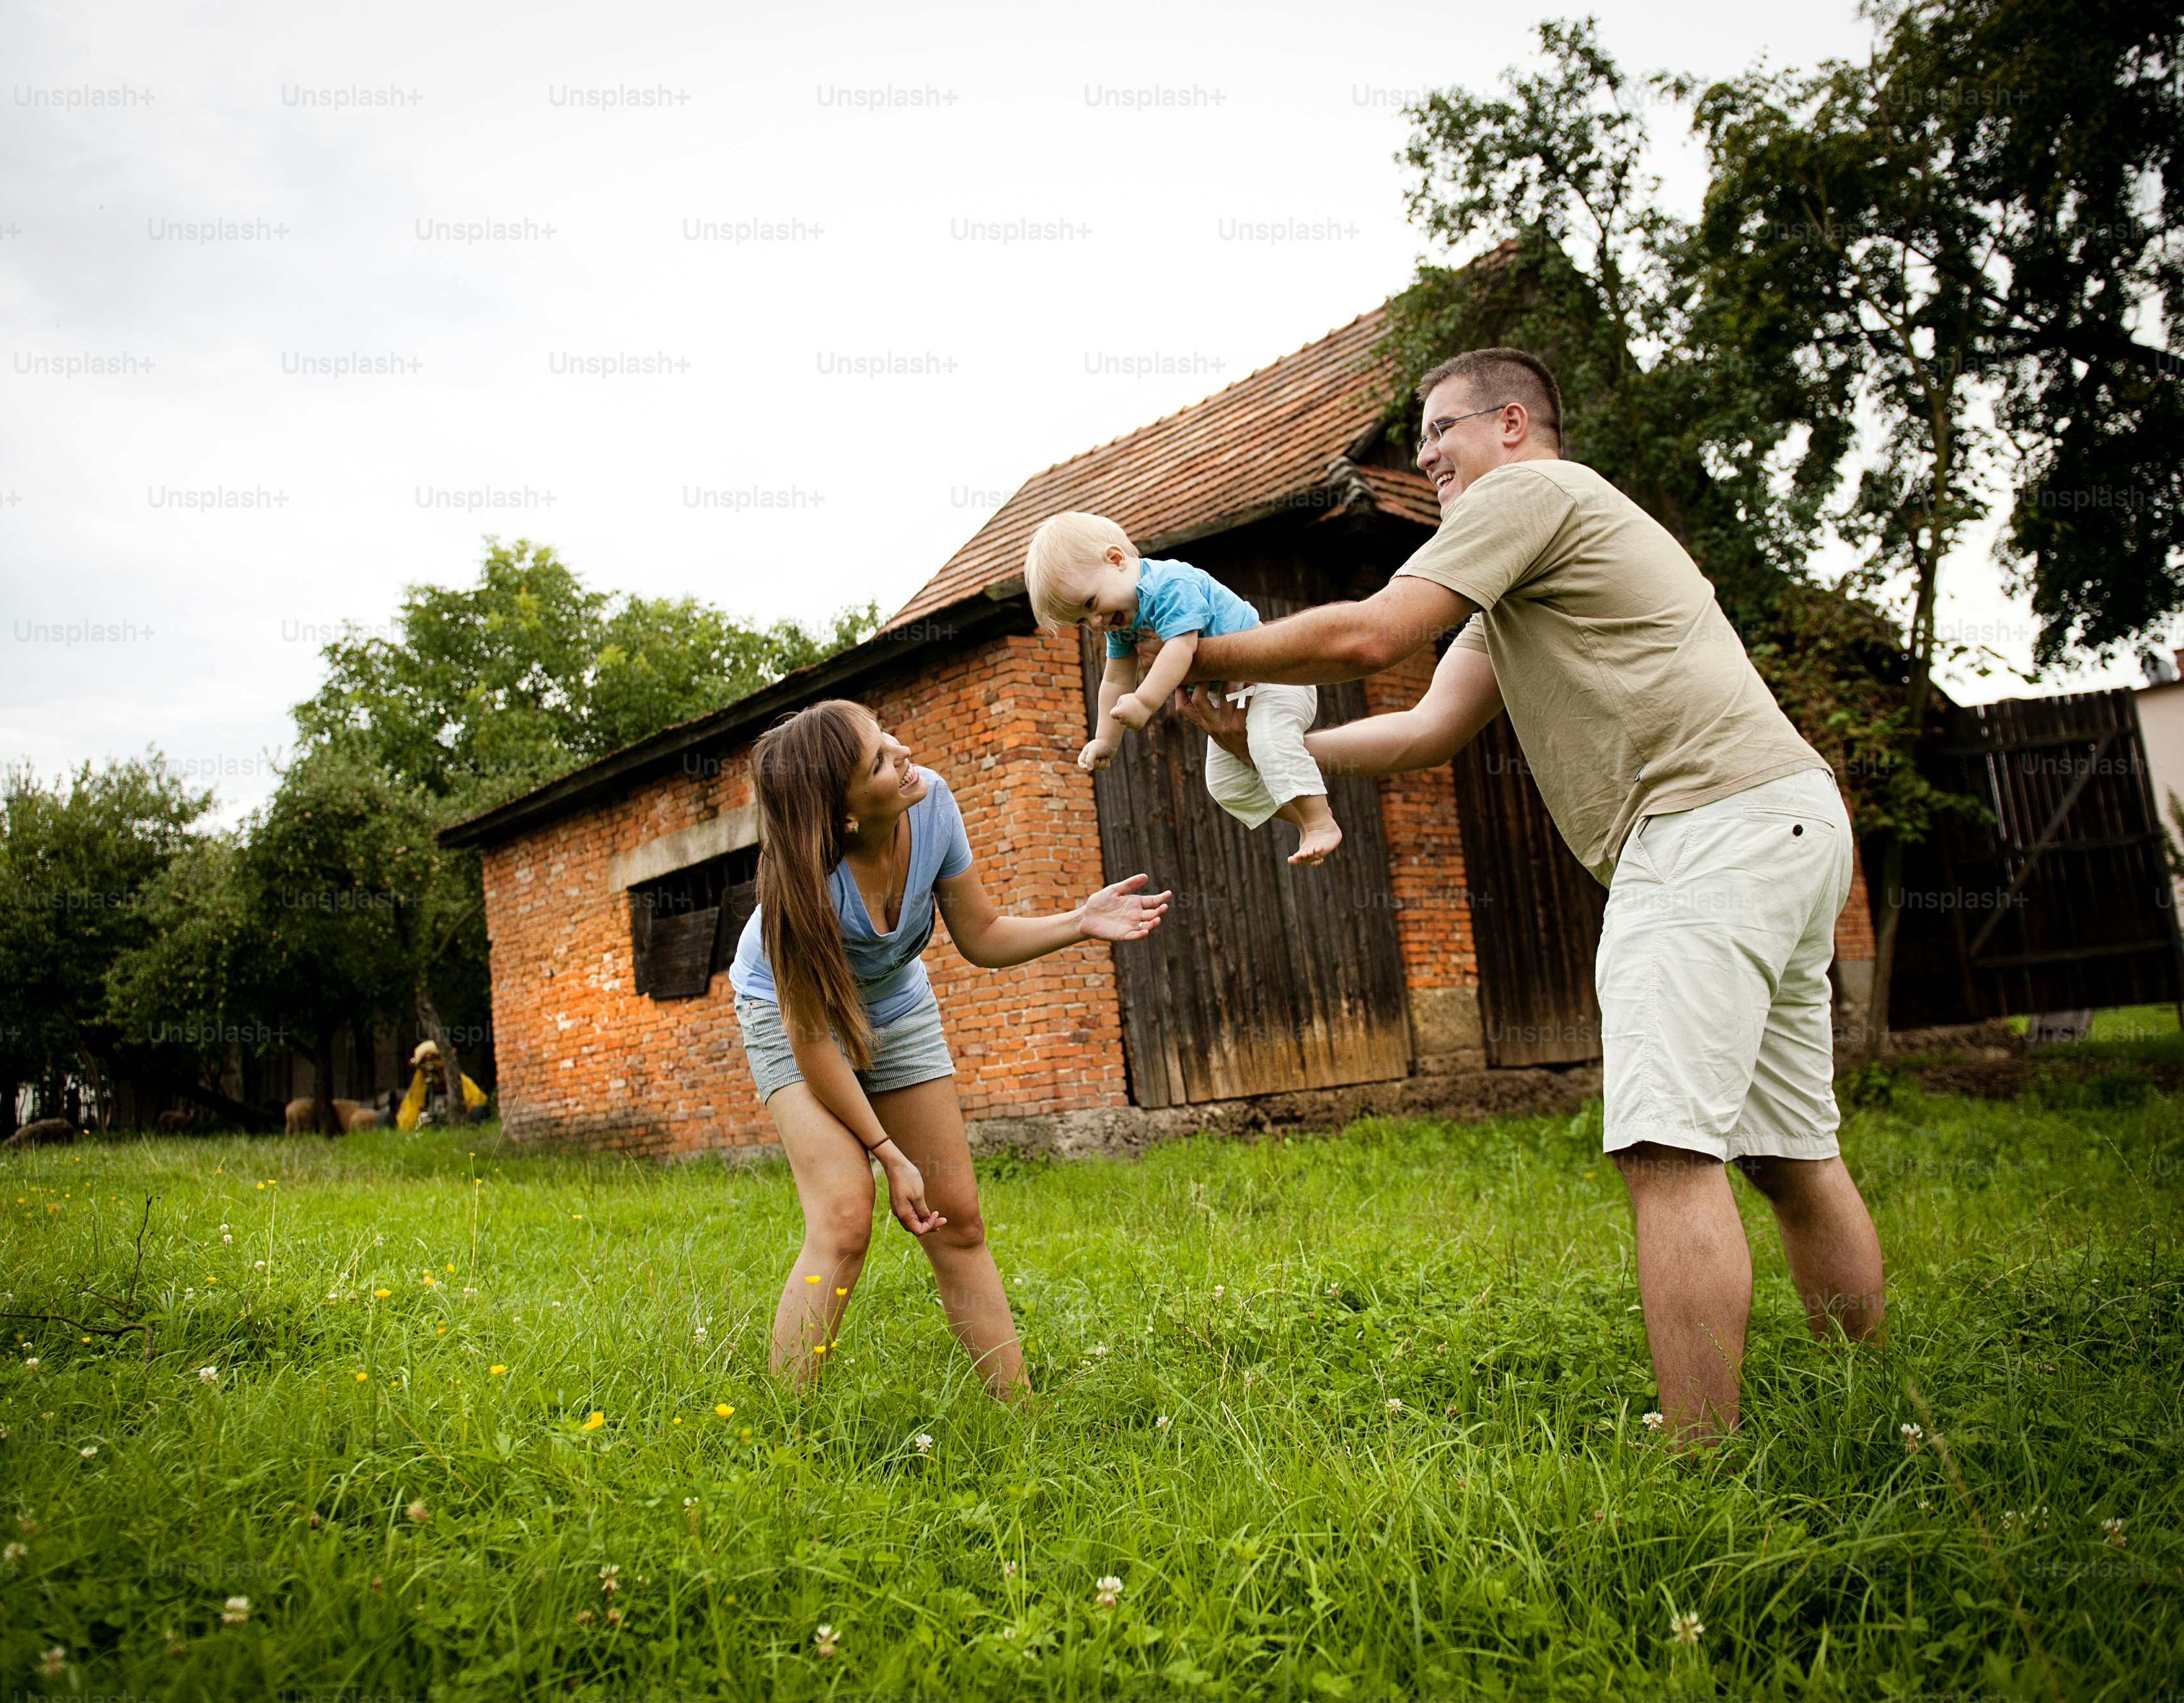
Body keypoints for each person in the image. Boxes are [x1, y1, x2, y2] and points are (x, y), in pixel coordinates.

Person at [1175, 347, 1886, 1441]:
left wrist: (1193, 645)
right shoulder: (1533, 562)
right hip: (1780, 820)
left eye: (1439, 433)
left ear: (1511, 424)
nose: (1424, 458)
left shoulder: (1534, 492)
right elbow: (1424, 728)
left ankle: (1702, 1466)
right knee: (1789, 1152)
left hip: (1703, 833)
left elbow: (1369, 632)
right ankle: (1873, 1401)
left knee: (1665, 1152)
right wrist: (1276, 747)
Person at [728, 698, 1170, 1398]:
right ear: (843, 817)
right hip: (792, 1024)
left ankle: (1016, 1414)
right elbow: (813, 1041)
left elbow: (983, 936)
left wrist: (1079, 921)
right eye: (879, 759)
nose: (903, 753)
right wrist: (888, 1155)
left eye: (886, 736)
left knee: (956, 1216)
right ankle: (789, 1417)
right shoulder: (802, 894)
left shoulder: (929, 803)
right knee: (845, 1217)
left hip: (895, 1005)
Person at [1022, 509, 1341, 865]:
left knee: (1268, 743)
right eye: (1082, 621)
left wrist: (1144, 702)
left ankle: (1321, 821)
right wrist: (1105, 740)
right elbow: (1114, 678)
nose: (1096, 622)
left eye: (1091, 604)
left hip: (1274, 680)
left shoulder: (1171, 584)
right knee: (1225, 785)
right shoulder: (1121, 619)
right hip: (1233, 696)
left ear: (1115, 560)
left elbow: (1181, 647)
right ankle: (1305, 820)